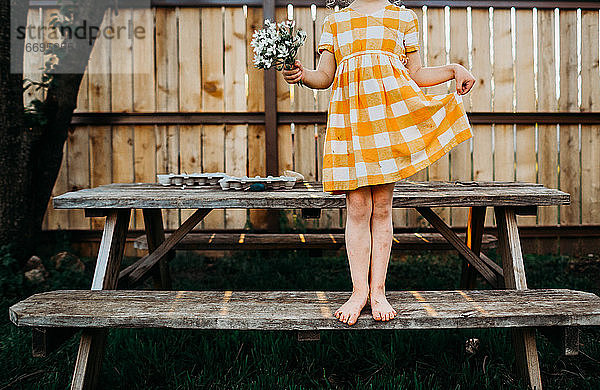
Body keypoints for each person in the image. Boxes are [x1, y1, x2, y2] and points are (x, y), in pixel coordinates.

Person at [282, 0, 475, 326]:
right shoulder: (336, 22)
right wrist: (302, 75)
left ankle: (379, 291)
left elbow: (416, 74)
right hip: (351, 124)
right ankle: (359, 291)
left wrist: (454, 69)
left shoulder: (402, 18)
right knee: (358, 208)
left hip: (388, 123)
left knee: (382, 208)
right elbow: (325, 77)